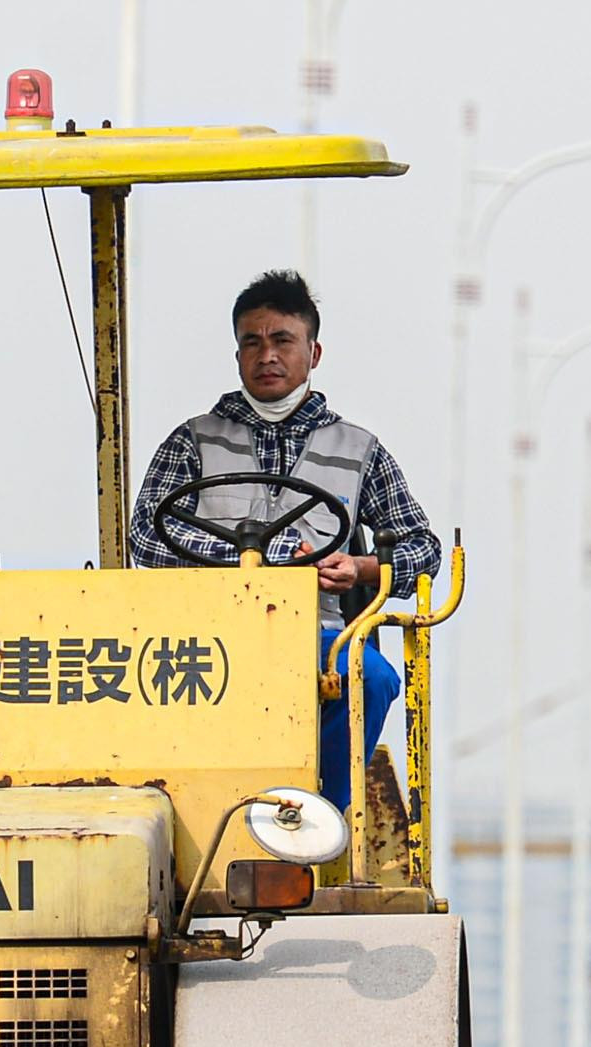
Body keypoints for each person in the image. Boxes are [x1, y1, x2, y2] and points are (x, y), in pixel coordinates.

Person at [128, 270, 442, 809]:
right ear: (237, 356)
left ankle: (321, 815)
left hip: (316, 636)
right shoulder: (193, 441)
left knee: (371, 677)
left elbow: (424, 548)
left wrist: (360, 569)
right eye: (252, 342)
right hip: (207, 639)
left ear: (313, 353)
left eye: (281, 341)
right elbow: (147, 540)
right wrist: (258, 560)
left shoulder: (360, 450)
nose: (266, 355)